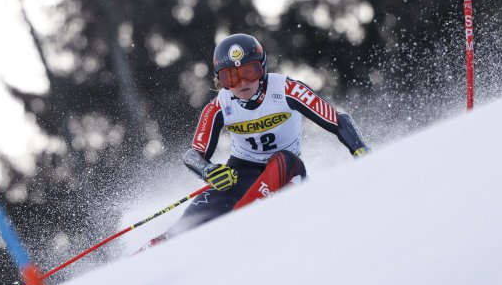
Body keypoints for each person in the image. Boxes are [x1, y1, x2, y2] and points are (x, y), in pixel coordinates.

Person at [157, 33, 369, 241]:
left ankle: (243, 218)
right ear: (220, 80)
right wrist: (208, 170)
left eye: (250, 71)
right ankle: (162, 246)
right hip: (241, 172)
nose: (241, 82)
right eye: (230, 77)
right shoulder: (219, 106)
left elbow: (337, 119)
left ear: (263, 68)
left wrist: (359, 150)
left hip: (287, 169)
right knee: (205, 206)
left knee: (283, 159)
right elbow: (193, 154)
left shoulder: (287, 89)